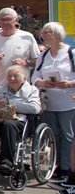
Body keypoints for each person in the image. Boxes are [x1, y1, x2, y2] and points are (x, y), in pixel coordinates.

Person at [31, 22, 75, 180]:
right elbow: (34, 76)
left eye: (47, 31)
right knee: (53, 135)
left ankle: (68, 168)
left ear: (56, 34)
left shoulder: (71, 52)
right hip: (49, 101)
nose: (43, 34)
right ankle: (56, 165)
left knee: (68, 135)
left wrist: (69, 83)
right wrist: (41, 83)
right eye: (43, 31)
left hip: (67, 101)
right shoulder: (43, 55)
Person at [0, 8, 40, 106]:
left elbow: (38, 61)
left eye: (8, 20)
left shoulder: (27, 37)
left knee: (16, 120)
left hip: (19, 90)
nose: (5, 23)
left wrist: (25, 62)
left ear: (16, 20)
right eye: (2, 20)